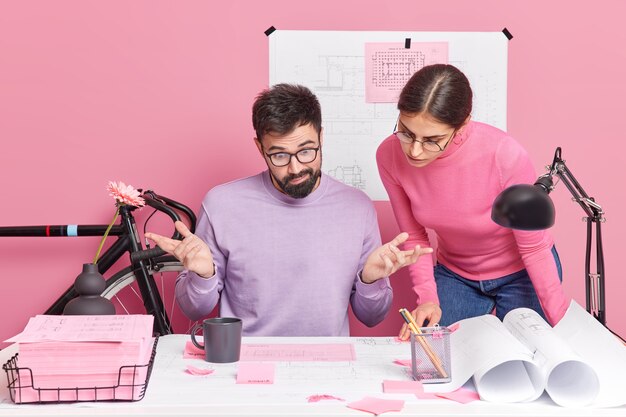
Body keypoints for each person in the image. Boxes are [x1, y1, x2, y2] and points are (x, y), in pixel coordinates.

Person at [147, 83, 432, 337]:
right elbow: (193, 310)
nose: (295, 168)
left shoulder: (357, 207)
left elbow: (372, 318)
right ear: (260, 148)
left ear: (321, 137)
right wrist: (202, 275)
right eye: (279, 155)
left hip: (328, 368)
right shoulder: (222, 204)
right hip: (245, 366)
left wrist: (371, 280)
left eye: (306, 151)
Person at [376, 64, 570, 339]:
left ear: (463, 124)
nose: (415, 150)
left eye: (433, 140)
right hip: (456, 274)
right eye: (406, 132)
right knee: (439, 357)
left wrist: (564, 326)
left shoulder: (504, 155)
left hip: (521, 272)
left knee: (534, 359)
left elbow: (535, 249)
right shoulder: (388, 155)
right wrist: (427, 299)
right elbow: (415, 238)